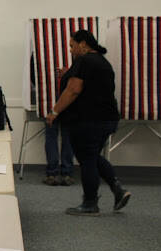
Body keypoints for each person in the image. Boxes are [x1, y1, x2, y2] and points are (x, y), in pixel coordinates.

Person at [46, 30, 131, 216]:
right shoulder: (102, 62)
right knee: (92, 156)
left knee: (88, 159)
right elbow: (92, 85)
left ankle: (90, 203)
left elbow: (73, 90)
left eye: (72, 45)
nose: (71, 50)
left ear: (83, 44)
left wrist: (54, 111)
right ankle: (118, 189)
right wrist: (69, 73)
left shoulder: (83, 61)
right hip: (107, 119)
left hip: (89, 120)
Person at [43, 66, 75, 186]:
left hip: (53, 101)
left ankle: (53, 174)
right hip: (65, 102)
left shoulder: (37, 53)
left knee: (57, 137)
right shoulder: (78, 56)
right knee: (66, 138)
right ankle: (65, 173)